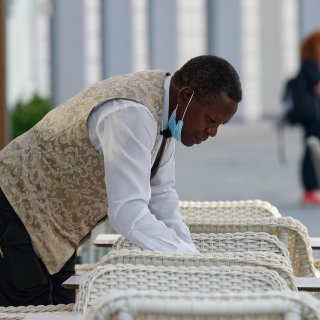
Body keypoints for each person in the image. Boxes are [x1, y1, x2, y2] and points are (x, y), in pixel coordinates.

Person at [0, 55, 242, 306]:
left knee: (63, 308)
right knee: (29, 310)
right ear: (185, 96)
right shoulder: (133, 113)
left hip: (54, 234)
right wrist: (188, 259)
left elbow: (162, 195)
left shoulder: (167, 112)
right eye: (211, 120)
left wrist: (190, 258)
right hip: (13, 206)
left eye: (220, 124)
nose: (213, 132)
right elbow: (128, 212)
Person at [296, 31, 320, 205]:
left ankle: (312, 189)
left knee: (312, 149)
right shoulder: (309, 65)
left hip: (312, 115)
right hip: (312, 116)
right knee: (311, 151)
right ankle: (310, 190)